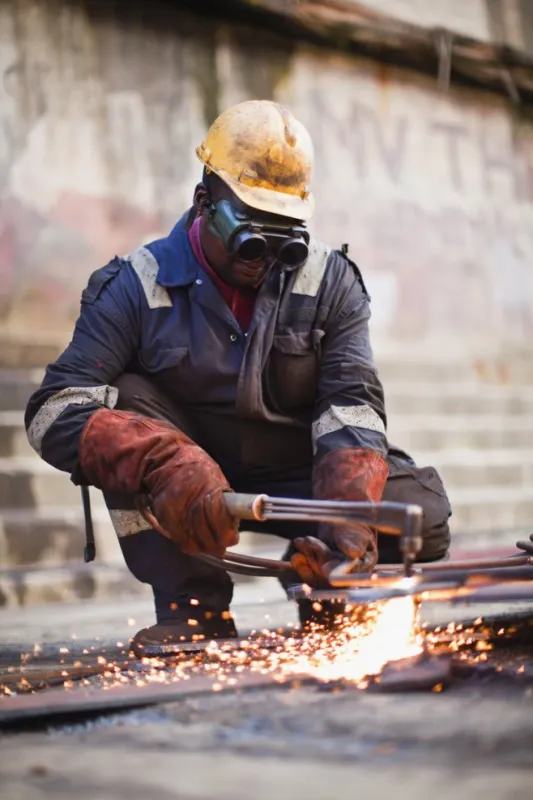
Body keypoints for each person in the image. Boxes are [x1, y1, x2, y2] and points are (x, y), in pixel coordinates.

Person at [25, 100, 451, 656]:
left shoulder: (331, 282)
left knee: (423, 518)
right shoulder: (135, 283)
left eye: (283, 233)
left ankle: (331, 594)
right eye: (249, 230)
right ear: (204, 201)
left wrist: (349, 526)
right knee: (120, 407)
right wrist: (163, 460)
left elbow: (352, 408)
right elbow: (53, 410)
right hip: (188, 483)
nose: (266, 254)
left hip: (301, 476)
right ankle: (193, 609)